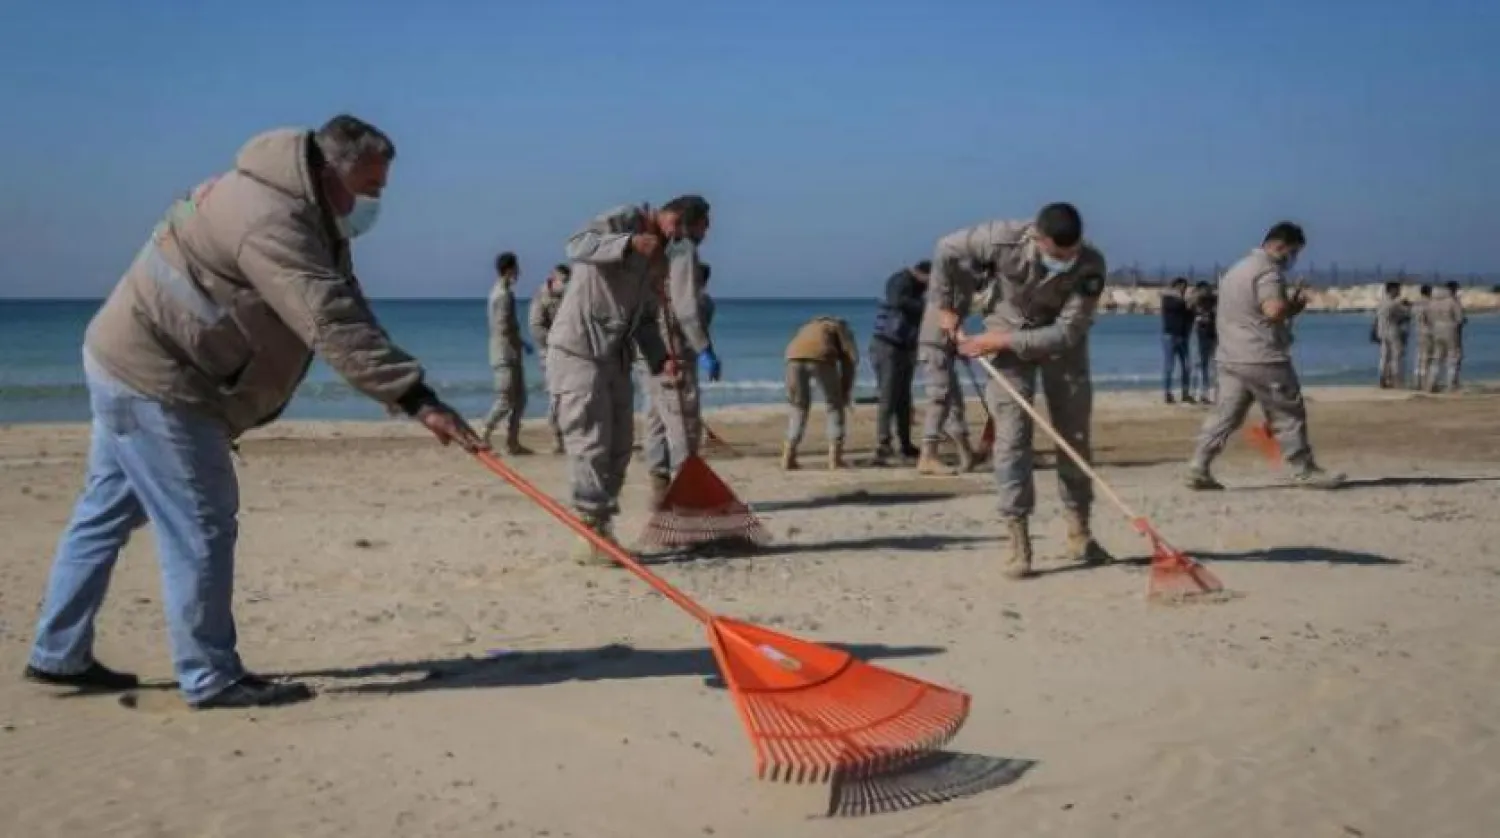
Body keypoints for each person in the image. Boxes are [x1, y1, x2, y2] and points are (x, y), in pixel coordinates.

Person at [24, 115, 481, 709]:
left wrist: (408, 390)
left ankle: (57, 654)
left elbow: (345, 301)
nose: (373, 203)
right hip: (160, 378)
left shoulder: (301, 206)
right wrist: (415, 397)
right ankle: (210, 677)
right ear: (328, 169)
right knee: (202, 524)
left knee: (105, 512)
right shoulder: (273, 218)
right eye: (370, 189)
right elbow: (327, 318)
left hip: (128, 358)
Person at [951, 202, 1113, 580]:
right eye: (1059, 255)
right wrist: (947, 307)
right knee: (1011, 440)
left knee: (1073, 437)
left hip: (1059, 348)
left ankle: (1079, 531)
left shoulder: (1091, 264)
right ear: (1038, 239)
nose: (1067, 261)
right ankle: (1018, 538)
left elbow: (1067, 332)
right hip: (1004, 337)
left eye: (1072, 253)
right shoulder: (1000, 240)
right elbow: (947, 250)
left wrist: (1001, 340)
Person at [547, 197, 704, 563]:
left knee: (620, 444)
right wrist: (628, 243)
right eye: (686, 235)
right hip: (578, 351)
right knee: (590, 439)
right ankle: (591, 533)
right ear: (674, 218)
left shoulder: (660, 260)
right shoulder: (625, 220)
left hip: (615, 355)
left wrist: (660, 358)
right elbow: (576, 245)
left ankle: (602, 528)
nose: (686, 245)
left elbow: (646, 319)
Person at [1183, 221, 1344, 491]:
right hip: (1262, 356)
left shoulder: (1236, 269)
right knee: (1287, 412)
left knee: (1225, 415)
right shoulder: (1268, 272)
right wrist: (1295, 305)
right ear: (1280, 246)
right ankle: (1303, 468)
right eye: (1293, 253)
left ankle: (1199, 465)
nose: (1293, 259)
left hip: (1230, 356)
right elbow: (1273, 310)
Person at [638, 214, 720, 509]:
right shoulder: (685, 262)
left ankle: (660, 491)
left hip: (650, 356)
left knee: (655, 421)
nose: (706, 231)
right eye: (704, 224)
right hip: (673, 359)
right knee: (683, 427)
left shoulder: (658, 275)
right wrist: (706, 350)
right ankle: (684, 493)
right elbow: (688, 316)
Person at [916, 249, 981, 475]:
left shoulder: (966, 284)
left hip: (946, 345)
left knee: (955, 404)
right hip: (934, 345)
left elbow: (955, 318)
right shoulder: (958, 277)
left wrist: (958, 345)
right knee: (939, 398)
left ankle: (967, 455)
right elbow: (946, 316)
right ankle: (928, 456)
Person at [868, 260, 930, 466]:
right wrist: (928, 308)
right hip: (888, 346)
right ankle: (882, 443)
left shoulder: (916, 288)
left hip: (905, 347)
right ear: (922, 274)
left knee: (904, 398)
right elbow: (897, 301)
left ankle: (905, 443)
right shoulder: (900, 281)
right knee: (888, 396)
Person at [781, 316, 859, 471]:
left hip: (792, 357)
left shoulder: (808, 326)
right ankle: (834, 459)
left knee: (799, 407)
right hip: (821, 356)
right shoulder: (840, 327)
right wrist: (845, 391)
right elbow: (850, 359)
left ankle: (788, 456)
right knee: (834, 407)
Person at [481, 252, 535, 452]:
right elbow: (503, 327)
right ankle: (484, 433)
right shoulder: (502, 295)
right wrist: (519, 343)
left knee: (521, 399)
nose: (519, 271)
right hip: (504, 354)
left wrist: (522, 344)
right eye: (516, 267)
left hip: (510, 352)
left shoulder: (503, 292)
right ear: (509, 269)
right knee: (506, 399)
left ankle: (512, 441)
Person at [528, 264, 572, 453]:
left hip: (571, 353)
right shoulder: (542, 297)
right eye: (563, 281)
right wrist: (555, 342)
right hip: (550, 353)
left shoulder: (570, 296)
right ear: (553, 279)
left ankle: (570, 435)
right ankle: (557, 437)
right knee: (556, 396)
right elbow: (536, 327)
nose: (565, 285)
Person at [1424, 281, 1466, 392]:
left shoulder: (1433, 302)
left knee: (1437, 358)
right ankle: (1451, 384)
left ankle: (1431, 383)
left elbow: (1428, 318)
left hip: (1436, 330)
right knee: (1453, 358)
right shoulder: (1453, 302)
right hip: (1451, 330)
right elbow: (1460, 319)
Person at [1160, 277, 1195, 403]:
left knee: (1186, 366)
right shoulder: (1168, 299)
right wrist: (1188, 302)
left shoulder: (1183, 302)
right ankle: (1167, 393)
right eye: (1182, 287)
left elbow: (1190, 316)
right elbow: (1176, 306)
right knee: (1169, 366)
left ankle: (1185, 393)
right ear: (1176, 286)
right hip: (1170, 336)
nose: (1184, 290)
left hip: (1182, 336)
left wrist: (1191, 307)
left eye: (1185, 287)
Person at [1373, 281, 1411, 389]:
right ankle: (1396, 380)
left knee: (1384, 357)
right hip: (1392, 332)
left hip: (1382, 332)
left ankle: (1383, 378)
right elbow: (1405, 315)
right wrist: (1406, 306)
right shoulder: (1394, 304)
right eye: (1398, 289)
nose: (1399, 292)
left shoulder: (1381, 303)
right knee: (1396, 357)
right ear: (1393, 290)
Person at [1190, 280, 1219, 402]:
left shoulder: (1213, 301)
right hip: (1201, 336)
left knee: (1211, 366)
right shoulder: (1197, 303)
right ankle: (1199, 392)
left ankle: (1207, 393)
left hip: (1211, 336)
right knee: (1201, 365)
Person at [1411, 283, 1432, 390]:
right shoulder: (1429, 304)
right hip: (1427, 332)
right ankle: (1424, 382)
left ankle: (1416, 380)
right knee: (1426, 357)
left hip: (1418, 331)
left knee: (1418, 356)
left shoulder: (1415, 304)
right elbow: (1431, 319)